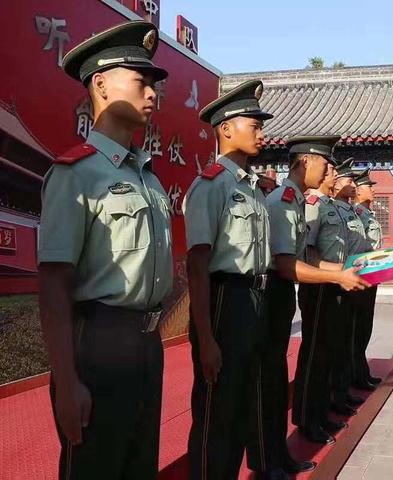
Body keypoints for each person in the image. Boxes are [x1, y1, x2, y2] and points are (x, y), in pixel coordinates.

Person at [38, 21, 172, 480]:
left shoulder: (149, 179)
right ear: (100, 83)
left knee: (139, 467)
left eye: (154, 82)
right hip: (98, 343)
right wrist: (67, 382)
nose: (152, 92)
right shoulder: (76, 175)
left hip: (147, 343)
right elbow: (54, 285)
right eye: (141, 80)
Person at [249, 136, 369, 478]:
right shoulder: (283, 200)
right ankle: (266, 460)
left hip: (285, 291)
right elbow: (288, 263)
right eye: (324, 163)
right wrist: (335, 277)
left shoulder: (297, 200)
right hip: (272, 290)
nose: (329, 170)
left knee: (276, 376)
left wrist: (343, 273)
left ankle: (279, 454)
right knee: (268, 380)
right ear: (305, 162)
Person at [183, 79, 273, 480]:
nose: (261, 132)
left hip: (254, 300)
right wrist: (205, 337)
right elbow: (198, 266)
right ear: (225, 129)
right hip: (223, 301)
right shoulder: (211, 186)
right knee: (216, 413)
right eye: (253, 124)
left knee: (240, 409)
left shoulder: (252, 190)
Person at [293, 157, 368, 444]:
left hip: (336, 282)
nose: (333, 173)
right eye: (331, 168)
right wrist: (338, 273)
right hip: (320, 285)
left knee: (329, 350)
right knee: (315, 354)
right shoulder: (313, 205)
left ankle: (322, 411)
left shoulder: (332, 206)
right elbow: (308, 254)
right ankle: (307, 418)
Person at [330, 158, 372, 410]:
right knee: (334, 343)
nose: (354, 186)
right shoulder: (323, 208)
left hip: (357, 276)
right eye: (350, 181)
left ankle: (347, 387)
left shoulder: (351, 212)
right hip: (332, 280)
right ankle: (332, 397)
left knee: (353, 335)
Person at [352, 168, 383, 387]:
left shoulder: (368, 214)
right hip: (360, 277)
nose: (372, 189)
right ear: (357, 190)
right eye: (368, 186)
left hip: (371, 277)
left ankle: (361, 372)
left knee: (365, 328)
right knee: (357, 329)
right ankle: (356, 375)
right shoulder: (357, 214)